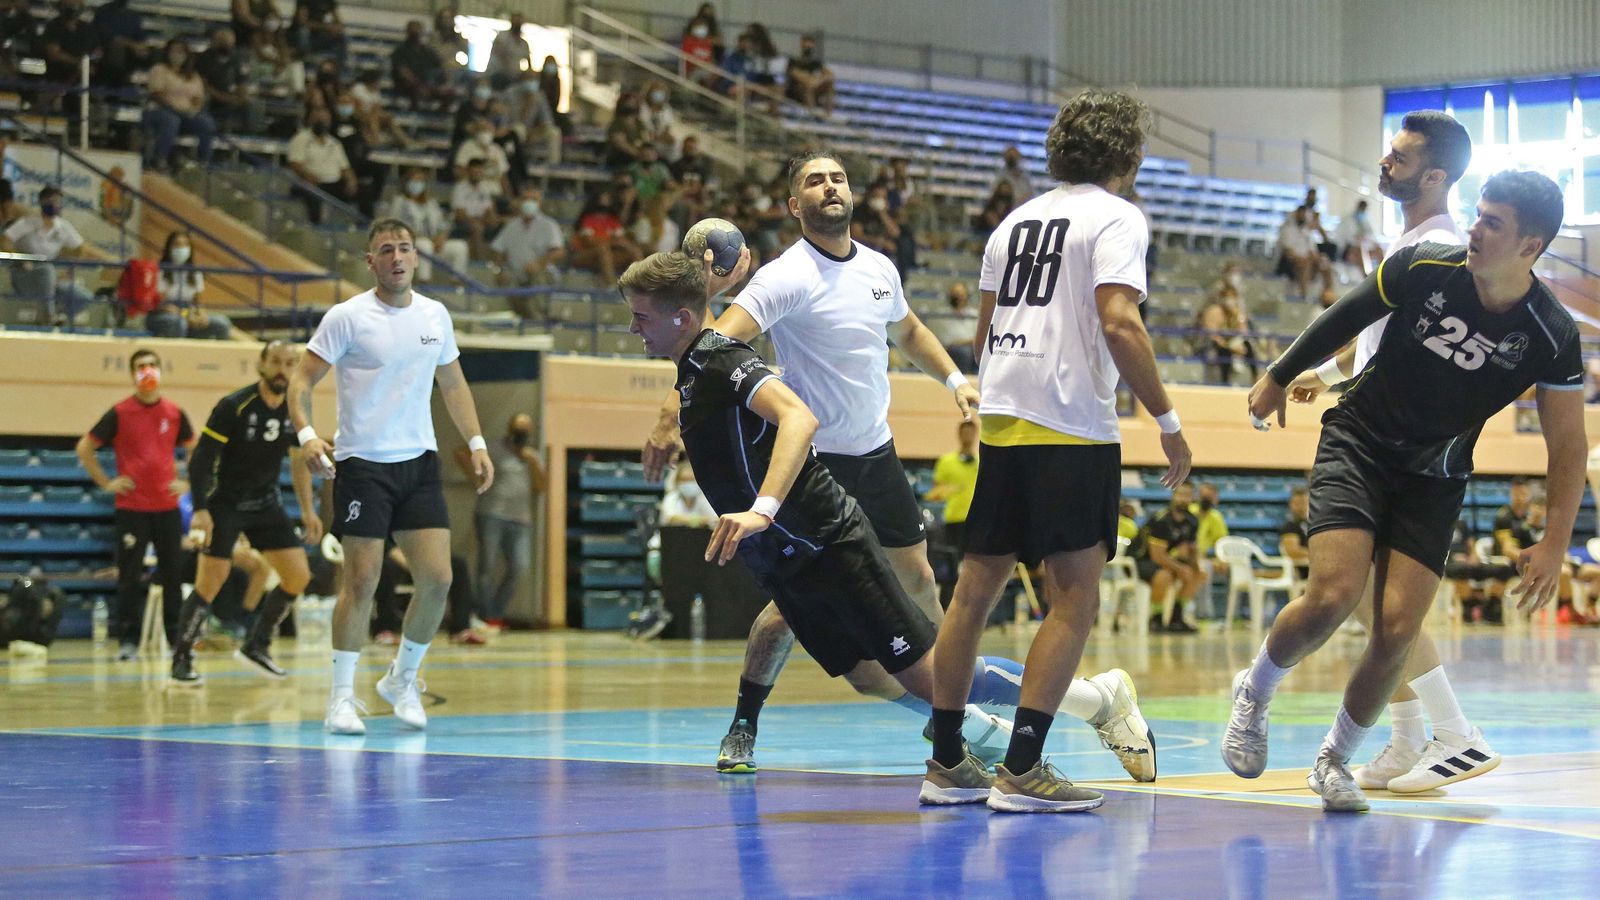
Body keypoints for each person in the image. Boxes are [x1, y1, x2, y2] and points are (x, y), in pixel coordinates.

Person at [643, 150, 1152, 781]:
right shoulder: (784, 277)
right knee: (790, 612)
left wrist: (953, 379)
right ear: (793, 207)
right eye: (813, 181)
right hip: (814, 466)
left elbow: (907, 330)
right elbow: (713, 343)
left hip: (876, 459)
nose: (829, 187)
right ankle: (748, 720)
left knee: (923, 608)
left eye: (837, 177)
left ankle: (976, 722)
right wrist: (669, 418)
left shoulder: (880, 268)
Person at [1229, 170, 1585, 811]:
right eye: (1477, 215)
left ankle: (1333, 760)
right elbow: (1348, 315)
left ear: (1530, 246)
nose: (1474, 229)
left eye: (1493, 223)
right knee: (1333, 596)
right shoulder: (1426, 264)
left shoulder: (1552, 333)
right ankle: (1253, 694)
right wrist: (1279, 375)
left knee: (1398, 631)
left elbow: (1568, 446)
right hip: (1359, 442)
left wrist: (1554, 541)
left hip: (1435, 476)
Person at [622, 250, 1027, 772]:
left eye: (640, 317)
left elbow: (799, 419)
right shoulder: (694, 368)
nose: (633, 328)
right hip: (784, 556)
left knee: (923, 670)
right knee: (864, 675)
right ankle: (974, 751)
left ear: (679, 319)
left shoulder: (721, 358)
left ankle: (1022, 743)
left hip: (827, 540)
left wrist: (762, 511)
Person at [926, 90, 1187, 812]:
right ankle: (1023, 770)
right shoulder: (1117, 217)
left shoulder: (1015, 221)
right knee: (1073, 598)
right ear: (1129, 157)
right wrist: (1166, 419)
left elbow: (981, 335)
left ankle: (947, 763)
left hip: (1004, 419)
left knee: (973, 594)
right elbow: (1120, 322)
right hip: (1070, 424)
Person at [1282, 110, 1484, 794]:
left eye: (1398, 158)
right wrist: (1327, 375)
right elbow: (1379, 346)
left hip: (1402, 449)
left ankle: (1455, 732)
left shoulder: (1440, 248)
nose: (1383, 164)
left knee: (1385, 607)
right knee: (1373, 602)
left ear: (1435, 175)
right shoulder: (1410, 244)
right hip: (1378, 428)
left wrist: (1301, 373)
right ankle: (1406, 737)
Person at [289, 217, 495, 735]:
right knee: (361, 581)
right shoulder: (347, 317)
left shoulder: (436, 315)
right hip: (362, 464)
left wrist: (476, 443)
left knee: (438, 580)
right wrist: (307, 434)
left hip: (419, 463)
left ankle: (401, 679)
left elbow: (453, 386)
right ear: (371, 261)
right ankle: (340, 698)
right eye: (387, 249)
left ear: (416, 257)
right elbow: (301, 378)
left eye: (405, 248)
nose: (398, 257)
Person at [168, 342, 322, 684]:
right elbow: (202, 460)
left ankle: (257, 644)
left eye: (290, 363)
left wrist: (308, 510)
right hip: (228, 503)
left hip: (266, 504)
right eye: (276, 362)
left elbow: (299, 463)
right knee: (210, 582)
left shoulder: (296, 408)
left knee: (298, 576)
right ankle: (181, 658)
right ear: (262, 365)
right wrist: (202, 509)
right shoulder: (234, 406)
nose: (283, 369)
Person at [77, 349, 194, 660]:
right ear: (133, 374)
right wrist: (106, 482)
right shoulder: (120, 412)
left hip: (166, 508)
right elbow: (85, 447)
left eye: (153, 365)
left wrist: (187, 482)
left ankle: (174, 641)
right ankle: (128, 641)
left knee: (172, 575)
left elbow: (196, 448)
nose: (148, 371)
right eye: (141, 366)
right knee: (129, 577)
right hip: (131, 508)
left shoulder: (174, 412)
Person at [457, 412, 544, 632]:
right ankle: (486, 616)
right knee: (487, 565)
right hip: (491, 515)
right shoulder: (494, 448)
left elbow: (541, 486)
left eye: (525, 430)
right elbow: (461, 453)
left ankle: (495, 611)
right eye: (518, 430)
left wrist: (532, 462)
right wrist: (476, 479)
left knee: (519, 567)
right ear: (510, 429)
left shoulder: (533, 455)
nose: (521, 434)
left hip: (521, 519)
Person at [0, 185, 101, 325]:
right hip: (24, 275)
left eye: (58, 201)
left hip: (50, 277)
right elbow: (4, 241)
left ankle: (57, 319)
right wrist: (20, 259)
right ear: (42, 202)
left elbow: (81, 249)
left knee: (84, 296)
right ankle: (49, 315)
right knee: (47, 270)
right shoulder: (28, 222)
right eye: (52, 200)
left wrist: (69, 271)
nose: (56, 204)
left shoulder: (63, 226)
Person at [1131, 482, 1203, 634]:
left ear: (1193, 498)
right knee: (1165, 576)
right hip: (1140, 560)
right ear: (1173, 496)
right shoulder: (1161, 520)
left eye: (1188, 495)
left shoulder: (1192, 521)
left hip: (1164, 559)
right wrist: (1180, 568)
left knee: (1197, 574)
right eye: (1181, 494)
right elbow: (1157, 556)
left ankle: (1176, 619)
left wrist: (1195, 567)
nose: (1184, 499)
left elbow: (1191, 549)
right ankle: (1156, 618)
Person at [381, 169, 469, 284]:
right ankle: (424, 281)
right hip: (409, 245)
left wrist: (442, 236)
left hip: (433, 243)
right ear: (407, 182)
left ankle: (457, 283)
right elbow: (393, 226)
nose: (418, 184)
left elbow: (443, 224)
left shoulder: (431, 203)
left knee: (460, 246)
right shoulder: (400, 201)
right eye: (415, 180)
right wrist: (415, 235)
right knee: (424, 244)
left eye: (421, 181)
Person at [143, 39, 217, 171]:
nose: (177, 55)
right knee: (172, 120)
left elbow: (198, 98)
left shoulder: (193, 75)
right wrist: (174, 108)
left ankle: (204, 162)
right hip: (160, 111)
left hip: (186, 114)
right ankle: (159, 159)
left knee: (207, 123)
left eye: (181, 52)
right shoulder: (160, 69)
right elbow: (156, 94)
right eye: (174, 51)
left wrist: (194, 110)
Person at [149, 230, 233, 340]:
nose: (182, 248)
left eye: (185, 245)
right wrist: (186, 316)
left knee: (222, 323)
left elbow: (197, 302)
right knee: (179, 323)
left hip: (187, 313)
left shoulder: (194, 272)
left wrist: (201, 315)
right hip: (163, 315)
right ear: (169, 248)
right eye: (177, 244)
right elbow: (163, 305)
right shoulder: (161, 271)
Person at [285, 109, 357, 225]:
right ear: (311, 120)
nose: (321, 123)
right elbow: (295, 163)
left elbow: (345, 167)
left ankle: (365, 226)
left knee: (364, 191)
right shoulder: (301, 139)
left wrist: (351, 180)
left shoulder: (334, 143)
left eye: (324, 120)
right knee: (313, 194)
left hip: (332, 184)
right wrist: (307, 176)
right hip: (309, 183)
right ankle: (316, 228)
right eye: (318, 120)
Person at [490, 186, 566, 290]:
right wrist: (499, 271)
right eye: (525, 199)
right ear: (520, 202)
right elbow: (498, 250)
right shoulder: (511, 225)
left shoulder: (549, 224)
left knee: (539, 281)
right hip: (516, 274)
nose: (529, 202)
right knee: (507, 283)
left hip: (541, 273)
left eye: (534, 200)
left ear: (540, 203)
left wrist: (538, 264)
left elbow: (559, 252)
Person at [1195, 284, 1257, 385]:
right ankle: (1225, 382)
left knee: (1248, 345)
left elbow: (1244, 332)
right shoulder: (1214, 311)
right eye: (1227, 297)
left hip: (1232, 342)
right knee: (1224, 351)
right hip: (1213, 345)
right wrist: (1230, 347)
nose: (1230, 300)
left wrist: (1238, 317)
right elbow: (1212, 335)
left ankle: (1255, 377)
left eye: (1232, 297)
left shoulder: (1237, 312)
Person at [391, 19, 452, 111]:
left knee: (448, 93)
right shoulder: (401, 50)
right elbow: (403, 72)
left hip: (428, 84)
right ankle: (414, 111)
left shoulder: (427, 51)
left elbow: (440, 67)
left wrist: (442, 83)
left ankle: (438, 115)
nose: (416, 33)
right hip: (408, 86)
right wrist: (419, 85)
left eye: (418, 30)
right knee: (415, 91)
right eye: (413, 31)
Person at [784, 34, 834, 116]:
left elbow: (830, 76)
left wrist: (818, 80)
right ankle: (812, 114)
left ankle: (828, 114)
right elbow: (801, 77)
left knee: (829, 87)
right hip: (795, 91)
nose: (808, 50)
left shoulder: (815, 63)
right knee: (807, 87)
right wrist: (816, 80)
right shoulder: (793, 62)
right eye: (806, 48)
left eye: (810, 48)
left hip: (813, 87)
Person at [486, 12, 532, 89]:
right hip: (498, 75)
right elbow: (499, 55)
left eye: (519, 22)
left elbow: (528, 61)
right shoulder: (502, 37)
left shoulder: (523, 44)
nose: (517, 24)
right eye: (515, 21)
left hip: (514, 78)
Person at [1278, 485, 1310, 581]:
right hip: (1304, 570)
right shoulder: (1290, 526)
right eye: (1297, 503)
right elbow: (1292, 551)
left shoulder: (1311, 523)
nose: (1301, 506)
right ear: (1291, 504)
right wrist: (1318, 555)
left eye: (1303, 502)